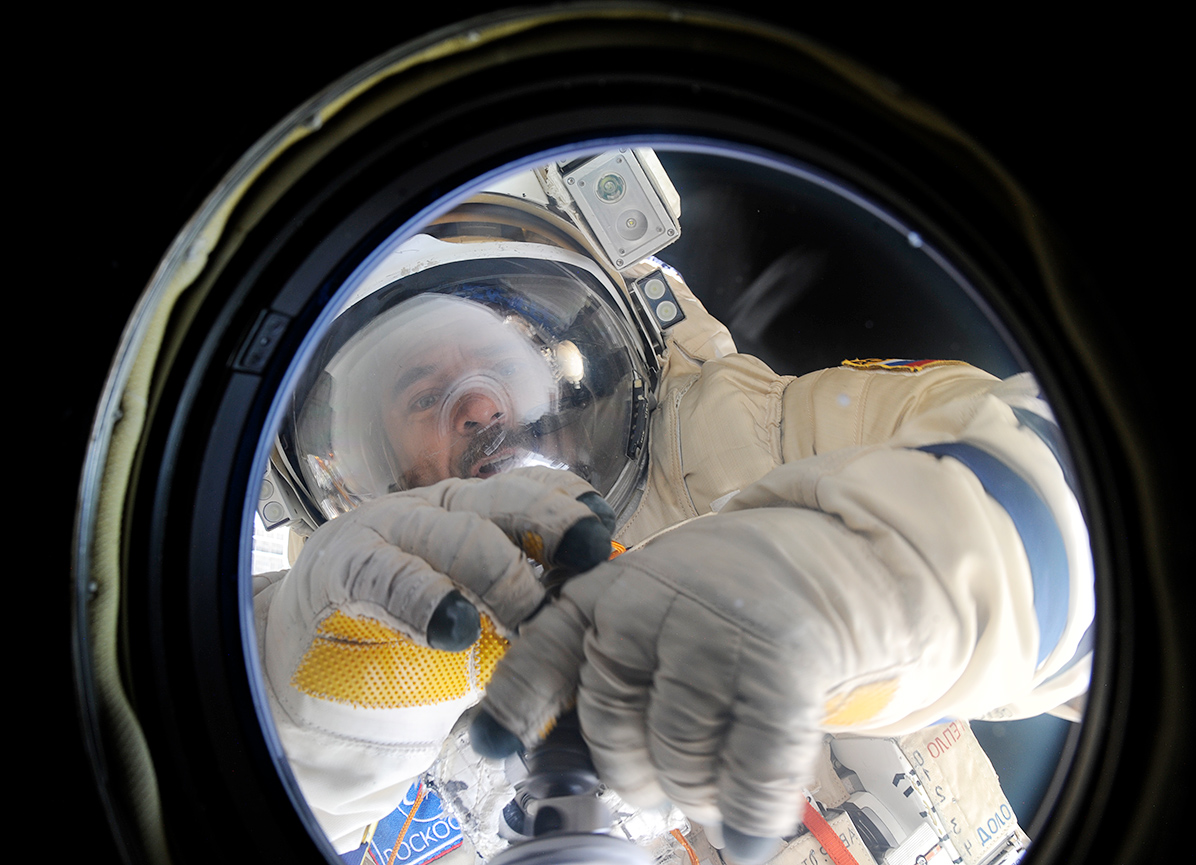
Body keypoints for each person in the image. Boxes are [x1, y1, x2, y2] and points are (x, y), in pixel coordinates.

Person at [253, 149, 1093, 863]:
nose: (477, 407)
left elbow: (1084, 494)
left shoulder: (765, 440)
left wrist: (875, 584)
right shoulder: (354, 661)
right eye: (418, 393)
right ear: (360, 471)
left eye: (492, 358)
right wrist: (329, 724)